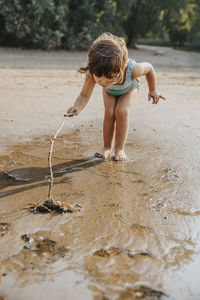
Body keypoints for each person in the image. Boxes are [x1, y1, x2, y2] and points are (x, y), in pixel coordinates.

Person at [67, 32, 166, 161]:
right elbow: (84, 95)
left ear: (120, 69)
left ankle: (119, 149)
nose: (103, 82)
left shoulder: (133, 70)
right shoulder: (94, 72)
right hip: (110, 91)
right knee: (109, 113)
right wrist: (77, 107)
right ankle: (107, 147)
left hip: (129, 87)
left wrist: (153, 90)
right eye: (99, 78)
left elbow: (149, 68)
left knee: (121, 111)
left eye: (109, 77)